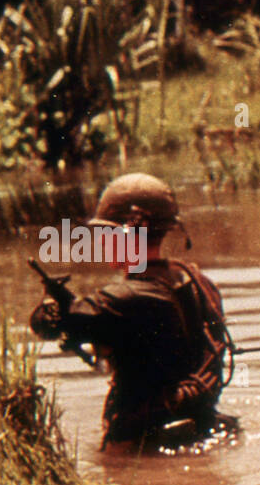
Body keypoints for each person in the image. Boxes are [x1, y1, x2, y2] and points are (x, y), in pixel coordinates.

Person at [29, 173, 233, 449]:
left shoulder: (121, 299)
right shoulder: (197, 280)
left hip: (142, 447)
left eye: (103, 233)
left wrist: (50, 305)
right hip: (203, 428)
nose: (99, 242)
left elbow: (49, 327)